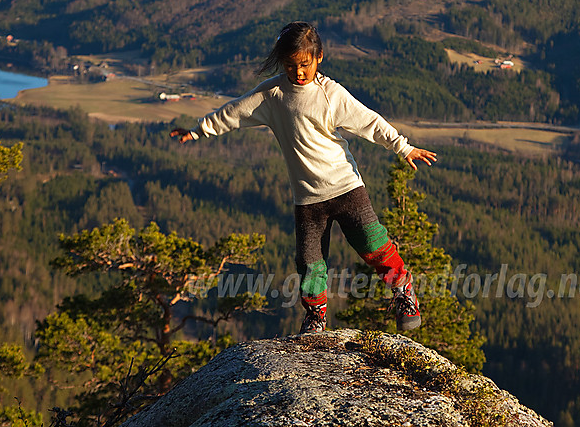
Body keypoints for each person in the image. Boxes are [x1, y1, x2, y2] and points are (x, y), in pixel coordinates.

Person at [170, 21, 436, 333]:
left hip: (347, 188)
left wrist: (402, 147)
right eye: (291, 66)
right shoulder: (272, 95)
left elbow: (368, 121)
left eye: (305, 65)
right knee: (310, 265)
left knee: (374, 245)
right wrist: (198, 130)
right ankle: (316, 319)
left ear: (319, 56)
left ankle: (404, 291)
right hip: (308, 200)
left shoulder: (330, 94)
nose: (298, 72)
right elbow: (235, 112)